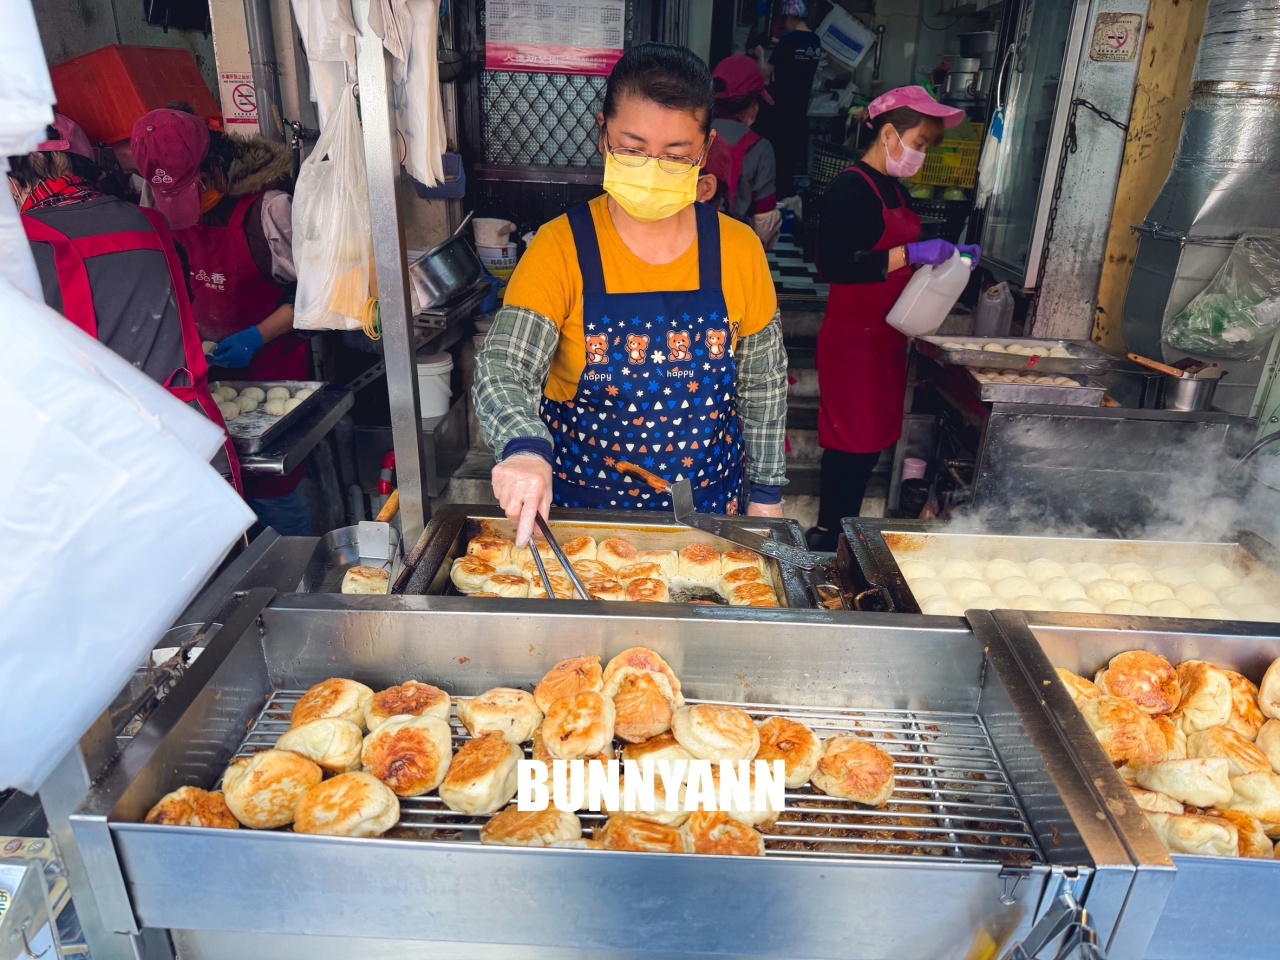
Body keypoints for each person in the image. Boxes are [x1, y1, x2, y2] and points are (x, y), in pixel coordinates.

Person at [474, 42, 789, 544]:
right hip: (585, 518)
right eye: (633, 149)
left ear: (705, 151)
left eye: (675, 155)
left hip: (710, 514)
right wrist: (524, 447)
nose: (652, 168)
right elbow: (504, 366)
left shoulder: (739, 249)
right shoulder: (561, 246)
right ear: (602, 135)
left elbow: (763, 385)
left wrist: (767, 494)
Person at [11, 116, 240, 488]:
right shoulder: (151, 224)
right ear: (89, 164)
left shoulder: (16, 252)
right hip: (192, 455)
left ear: (12, 178)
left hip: (107, 476)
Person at [807, 87, 979, 550]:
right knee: (850, 439)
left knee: (871, 440)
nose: (920, 155)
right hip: (853, 338)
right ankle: (828, 533)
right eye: (918, 144)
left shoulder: (893, 188)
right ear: (889, 133)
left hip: (887, 335)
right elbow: (835, 264)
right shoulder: (849, 187)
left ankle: (842, 531)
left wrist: (949, 259)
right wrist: (913, 252)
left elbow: (899, 259)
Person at [131, 107, 311, 535]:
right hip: (200, 381)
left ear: (216, 162)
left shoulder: (268, 211)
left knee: (277, 501)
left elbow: (311, 295)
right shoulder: (148, 205)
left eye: (193, 189)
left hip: (273, 370)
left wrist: (256, 335)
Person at [706, 55, 780, 250]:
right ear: (753, 104)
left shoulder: (690, 136)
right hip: (736, 250)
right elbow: (765, 224)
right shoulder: (761, 148)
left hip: (686, 248)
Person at [756, 0, 821, 198]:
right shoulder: (815, 41)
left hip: (779, 109)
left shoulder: (788, 41)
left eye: (785, 20)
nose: (784, 24)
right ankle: (786, 200)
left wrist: (760, 56)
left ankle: (772, 199)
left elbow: (764, 74)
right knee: (789, 160)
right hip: (799, 110)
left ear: (791, 17)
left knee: (775, 158)